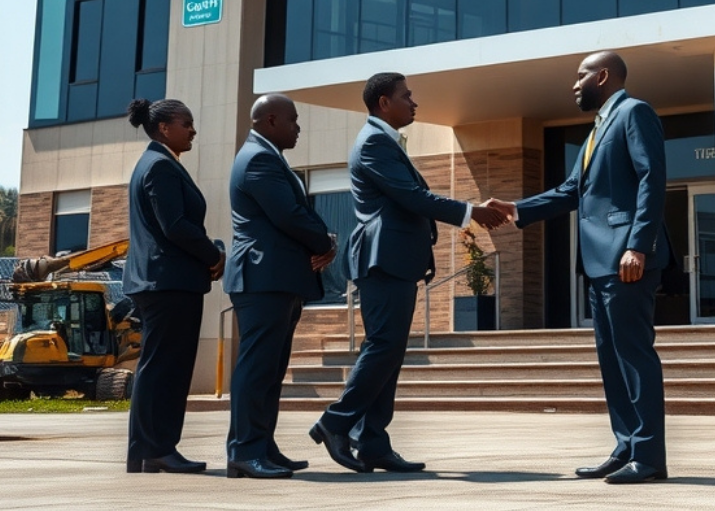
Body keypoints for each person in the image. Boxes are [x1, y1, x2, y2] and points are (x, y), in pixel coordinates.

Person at [310, 73, 509, 473]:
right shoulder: (373, 142)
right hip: (382, 260)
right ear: (384, 103)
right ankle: (335, 423)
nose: (414, 103)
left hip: (394, 260)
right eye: (407, 96)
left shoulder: (384, 142)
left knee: (390, 351)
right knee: (384, 347)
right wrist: (471, 212)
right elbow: (412, 197)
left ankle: (373, 443)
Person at [488, 51, 671, 484]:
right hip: (599, 263)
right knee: (612, 360)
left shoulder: (633, 112)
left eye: (581, 76)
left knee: (634, 356)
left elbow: (652, 178)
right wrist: (518, 209)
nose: (574, 84)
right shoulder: (597, 129)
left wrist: (638, 246)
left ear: (602, 76)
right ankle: (626, 447)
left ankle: (649, 457)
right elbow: (572, 190)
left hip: (626, 258)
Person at [223, 93, 338, 479]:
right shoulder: (259, 158)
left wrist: (323, 241)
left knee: (270, 370)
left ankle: (262, 446)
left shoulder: (268, 156)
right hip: (263, 277)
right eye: (293, 119)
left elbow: (295, 213)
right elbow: (289, 214)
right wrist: (326, 243)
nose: (298, 127)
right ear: (270, 120)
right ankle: (244, 451)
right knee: (257, 368)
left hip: (277, 277)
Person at [122, 97, 225, 475]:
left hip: (162, 281)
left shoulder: (154, 163)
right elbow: (176, 226)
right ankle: (157, 448)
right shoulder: (160, 166)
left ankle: (147, 451)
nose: (193, 130)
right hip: (168, 282)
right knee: (167, 368)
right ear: (164, 128)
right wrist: (214, 255)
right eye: (187, 123)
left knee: (158, 367)